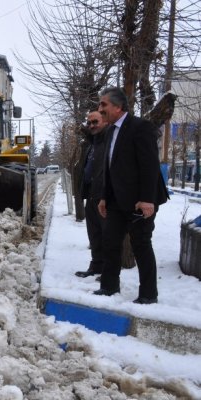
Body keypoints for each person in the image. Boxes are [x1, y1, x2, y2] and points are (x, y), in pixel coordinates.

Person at [94, 87, 169, 304]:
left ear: (118, 107)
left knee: (141, 245)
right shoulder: (110, 131)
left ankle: (148, 294)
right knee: (110, 242)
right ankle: (109, 286)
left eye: (104, 105)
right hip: (116, 199)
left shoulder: (141, 127)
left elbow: (149, 166)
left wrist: (147, 199)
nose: (100, 109)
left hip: (140, 200)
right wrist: (104, 197)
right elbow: (110, 167)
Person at [74, 111, 108, 278]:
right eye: (89, 123)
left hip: (104, 196)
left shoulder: (108, 142)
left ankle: (108, 270)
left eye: (95, 122)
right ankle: (96, 265)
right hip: (91, 194)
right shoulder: (92, 143)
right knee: (94, 233)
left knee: (106, 234)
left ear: (105, 122)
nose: (92, 125)